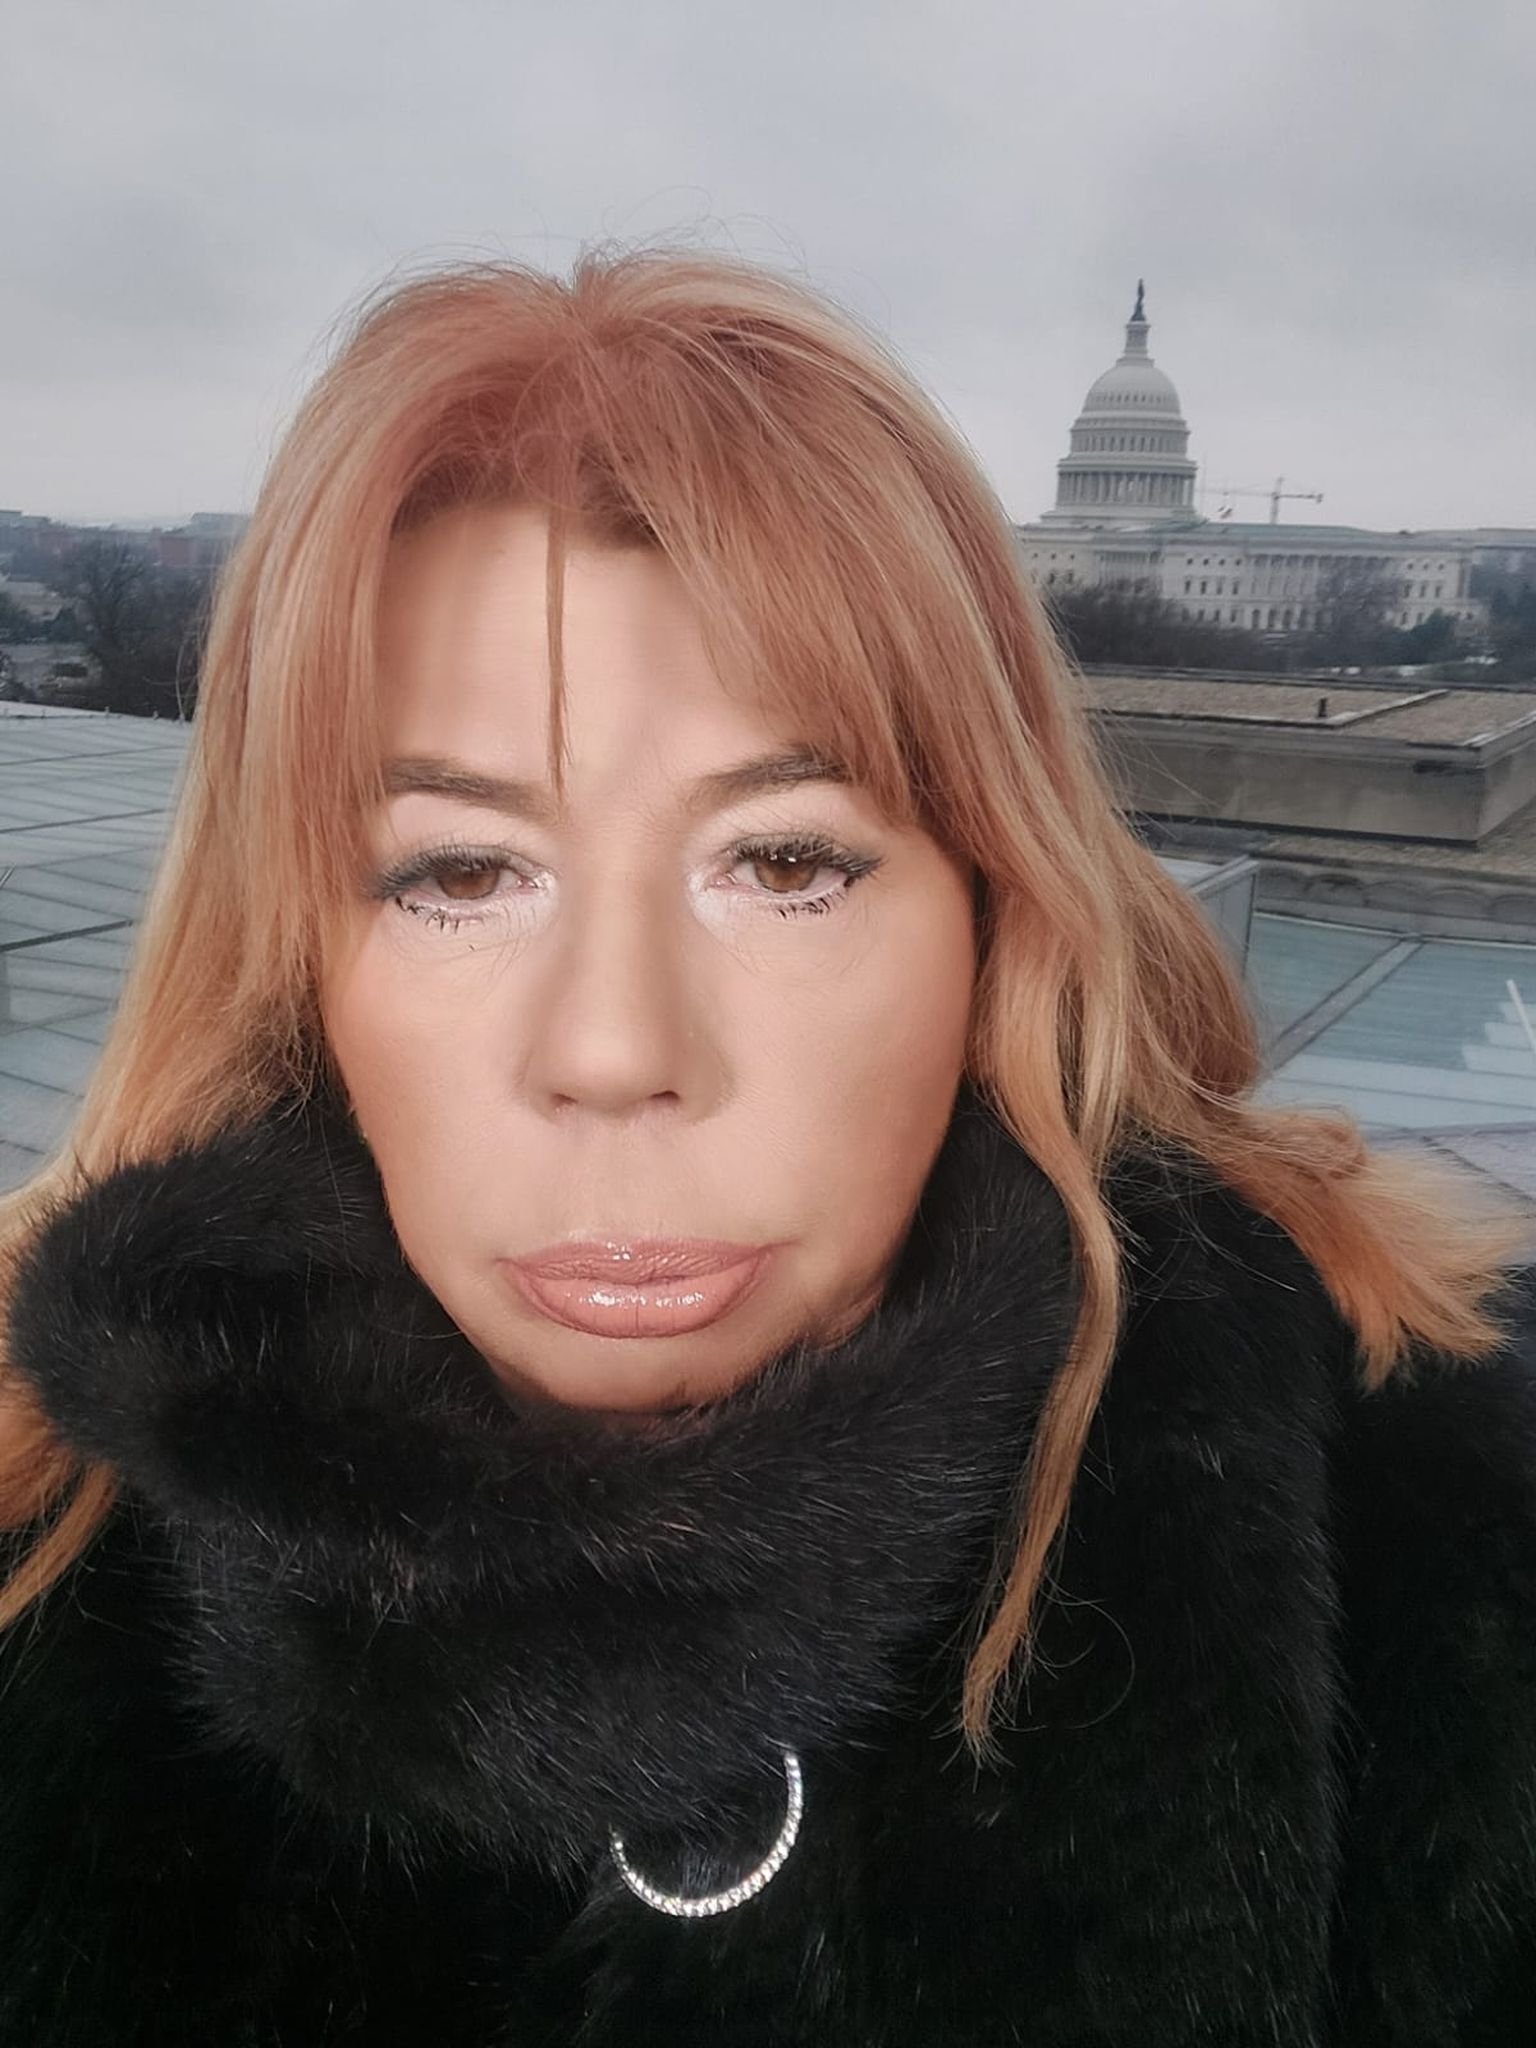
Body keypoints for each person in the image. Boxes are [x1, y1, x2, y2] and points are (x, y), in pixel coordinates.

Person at [0, 249, 1532, 2048]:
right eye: (461, 871)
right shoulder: (47, 1566)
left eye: (786, 861)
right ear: (297, 968)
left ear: (997, 916)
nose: (615, 1052)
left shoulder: (1445, 1565)